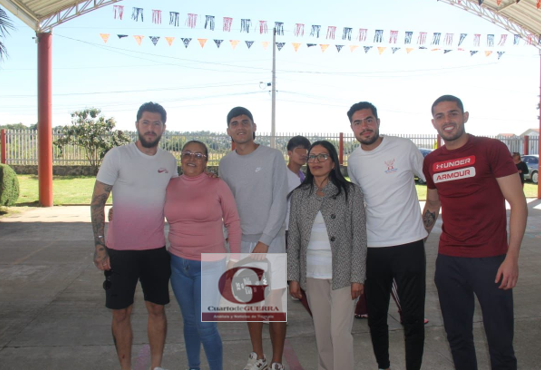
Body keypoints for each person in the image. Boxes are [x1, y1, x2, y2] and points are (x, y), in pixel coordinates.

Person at [422, 95, 528, 370]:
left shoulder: (491, 149)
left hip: (491, 259)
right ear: (433, 123)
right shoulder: (432, 161)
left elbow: (517, 203)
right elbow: (433, 204)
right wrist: (417, 237)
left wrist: (512, 257)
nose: (448, 120)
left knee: (500, 340)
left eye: (453, 113)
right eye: (441, 116)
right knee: (457, 337)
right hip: (449, 261)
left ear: (465, 116)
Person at [91, 102, 177, 370]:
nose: (150, 128)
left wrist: (207, 178)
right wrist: (100, 246)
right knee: (121, 313)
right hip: (119, 251)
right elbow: (97, 202)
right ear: (137, 124)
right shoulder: (117, 155)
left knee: (157, 310)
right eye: (146, 122)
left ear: (164, 127)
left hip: (154, 250)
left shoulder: (169, 160)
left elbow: (180, 193)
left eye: (156, 123)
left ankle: (156, 366)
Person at [347, 101, 427, 370]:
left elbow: (433, 181)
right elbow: (358, 203)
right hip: (374, 248)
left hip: (409, 246)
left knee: (413, 316)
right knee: (376, 316)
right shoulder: (355, 160)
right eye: (358, 123)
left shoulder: (403, 147)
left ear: (378, 121)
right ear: (352, 129)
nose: (364, 126)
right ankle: (384, 365)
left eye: (368, 120)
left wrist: (428, 221)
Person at [218, 107, 288, 370]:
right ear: (229, 131)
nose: (240, 127)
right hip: (243, 243)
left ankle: (277, 361)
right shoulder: (225, 163)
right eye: (235, 123)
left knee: (275, 306)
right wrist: (230, 242)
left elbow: (279, 202)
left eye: (245, 122)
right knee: (252, 304)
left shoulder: (272, 157)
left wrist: (266, 240)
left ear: (254, 126)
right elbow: (226, 207)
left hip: (272, 242)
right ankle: (257, 357)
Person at [287, 140, 367, 370]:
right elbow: (293, 239)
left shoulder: (350, 192)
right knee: (322, 334)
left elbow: (359, 237)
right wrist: (294, 277)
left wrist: (357, 277)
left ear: (333, 162)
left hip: (344, 274)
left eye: (323, 157)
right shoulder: (300, 195)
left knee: (339, 334)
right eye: (312, 157)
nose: (316, 161)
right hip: (312, 275)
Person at [165, 140, 241, 370]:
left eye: (199, 155)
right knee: (189, 322)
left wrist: (234, 262)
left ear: (207, 161)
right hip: (178, 264)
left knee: (205, 325)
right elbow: (149, 207)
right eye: (187, 153)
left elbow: (233, 221)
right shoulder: (169, 185)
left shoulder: (217, 185)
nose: (192, 158)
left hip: (210, 264)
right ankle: (193, 367)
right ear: (181, 157)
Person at [285, 135, 312, 316]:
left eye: (306, 151)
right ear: (289, 153)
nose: (303, 155)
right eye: (299, 151)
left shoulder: (303, 176)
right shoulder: (282, 176)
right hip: (286, 230)